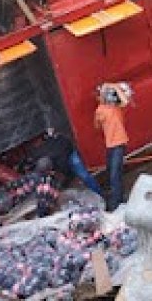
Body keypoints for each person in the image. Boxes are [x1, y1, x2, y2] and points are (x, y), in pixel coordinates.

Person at [30, 128, 103, 196]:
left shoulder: (60, 161)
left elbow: (66, 170)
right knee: (68, 179)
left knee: (84, 176)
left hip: (69, 153)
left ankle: (100, 194)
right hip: (60, 148)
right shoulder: (38, 154)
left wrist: (63, 181)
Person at [94, 83, 131, 211]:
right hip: (111, 145)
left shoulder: (116, 107)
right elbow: (97, 126)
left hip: (118, 144)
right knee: (113, 173)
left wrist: (114, 87)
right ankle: (118, 198)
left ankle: (117, 203)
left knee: (114, 175)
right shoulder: (101, 110)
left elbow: (125, 101)